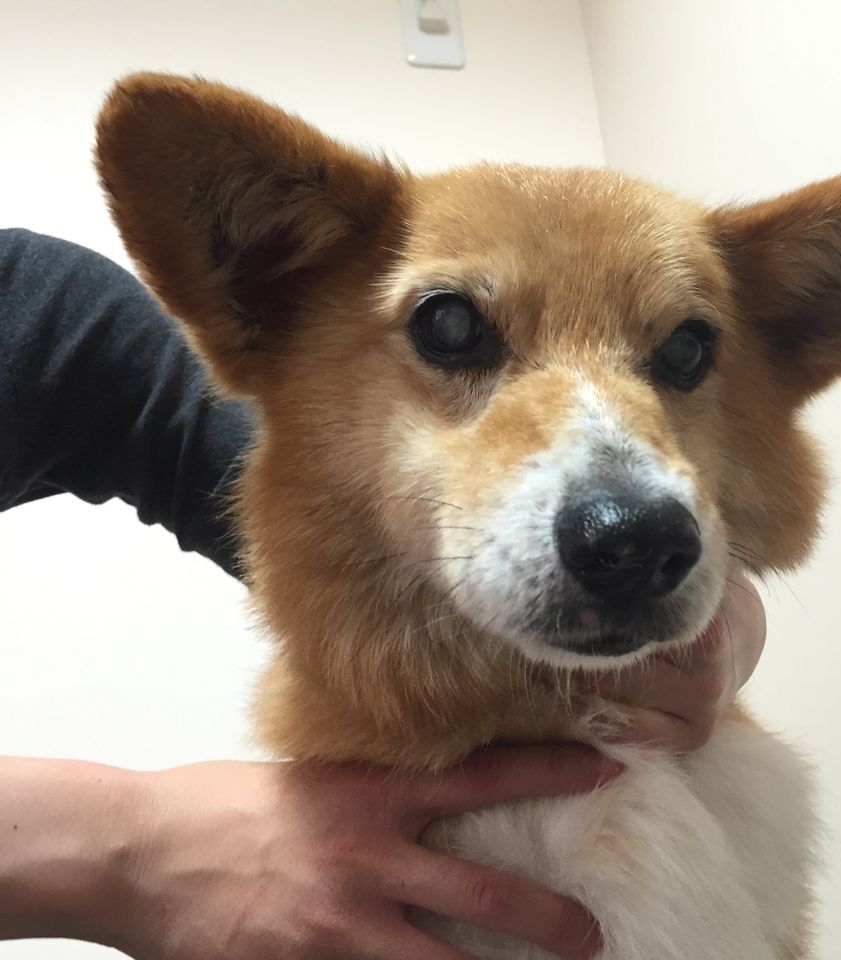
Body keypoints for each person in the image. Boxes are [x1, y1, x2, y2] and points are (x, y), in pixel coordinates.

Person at [0, 229, 767, 960]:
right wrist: (132, 845)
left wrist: (723, 606)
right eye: (451, 331)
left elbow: (313, 496)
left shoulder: (43, 303)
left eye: (682, 350)